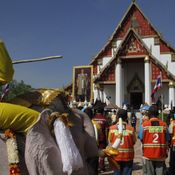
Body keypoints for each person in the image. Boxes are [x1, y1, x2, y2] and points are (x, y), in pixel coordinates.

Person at [139, 105, 169, 175]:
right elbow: (167, 139)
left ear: (149, 114)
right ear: (158, 114)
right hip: (161, 154)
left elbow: (141, 138)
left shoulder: (144, 125)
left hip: (148, 155)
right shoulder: (164, 125)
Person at [108, 109, 136, 175]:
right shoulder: (131, 129)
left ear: (117, 117)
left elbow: (110, 141)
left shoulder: (111, 128)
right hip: (128, 156)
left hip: (115, 156)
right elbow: (133, 142)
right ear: (126, 118)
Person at [168, 108, 175, 175]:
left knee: (173, 160)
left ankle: (172, 171)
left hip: (174, 144)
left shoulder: (173, 123)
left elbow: (169, 132)